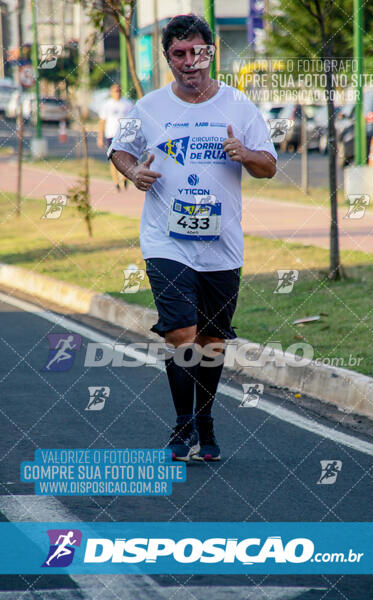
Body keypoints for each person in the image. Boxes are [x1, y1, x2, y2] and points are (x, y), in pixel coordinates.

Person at [108, 14, 277, 462]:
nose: (189, 62)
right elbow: (119, 149)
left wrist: (245, 154)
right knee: (182, 333)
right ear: (167, 59)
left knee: (211, 343)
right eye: (178, 54)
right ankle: (183, 427)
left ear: (210, 53)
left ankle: (205, 420)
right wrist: (134, 171)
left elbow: (269, 166)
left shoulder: (239, 106)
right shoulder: (149, 108)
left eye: (196, 52)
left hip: (222, 245)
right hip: (166, 241)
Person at [97, 84, 134, 191]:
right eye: (115, 91)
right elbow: (102, 121)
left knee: (126, 158)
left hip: (124, 135)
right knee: (113, 160)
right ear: (111, 92)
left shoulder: (127, 103)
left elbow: (133, 119)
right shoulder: (107, 105)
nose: (117, 93)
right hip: (111, 135)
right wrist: (100, 137)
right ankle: (116, 182)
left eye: (118, 90)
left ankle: (124, 177)